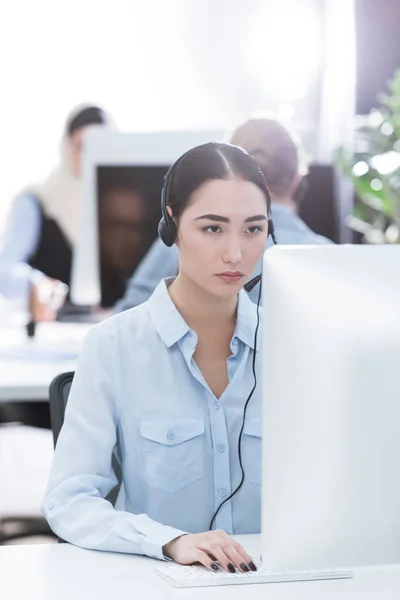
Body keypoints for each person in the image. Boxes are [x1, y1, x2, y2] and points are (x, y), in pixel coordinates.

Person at [42, 142, 272, 572]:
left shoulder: (294, 349)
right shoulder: (113, 347)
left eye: (253, 229)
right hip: (157, 585)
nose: (235, 254)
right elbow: (68, 500)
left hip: (279, 584)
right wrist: (169, 541)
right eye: (212, 228)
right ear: (172, 226)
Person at [116, 117, 333, 311]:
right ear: (296, 179)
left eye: (254, 230)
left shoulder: (186, 235)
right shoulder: (332, 259)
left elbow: (129, 318)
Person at [0, 105, 110, 321]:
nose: (92, 157)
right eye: (82, 147)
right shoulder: (37, 202)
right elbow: (4, 270)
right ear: (67, 146)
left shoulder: (121, 209)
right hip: (52, 337)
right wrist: (36, 283)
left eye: (102, 147)